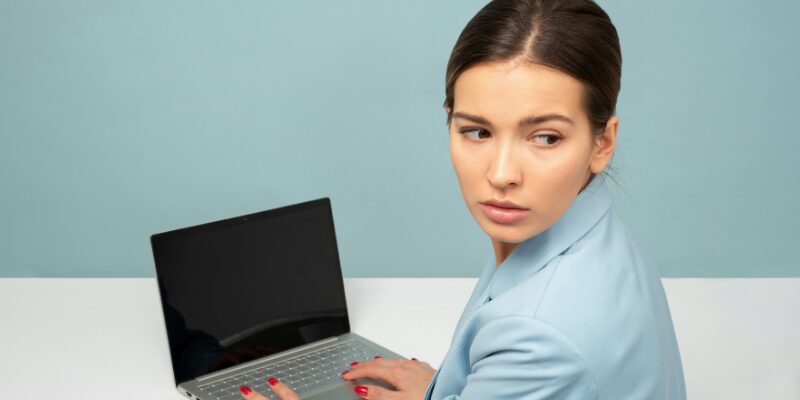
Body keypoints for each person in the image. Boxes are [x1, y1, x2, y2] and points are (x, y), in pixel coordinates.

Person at [240, 0, 687, 398]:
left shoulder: (537, 337)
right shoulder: (593, 230)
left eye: (546, 138)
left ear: (602, 143)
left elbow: (542, 344)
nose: (501, 174)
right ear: (449, 121)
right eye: (477, 131)